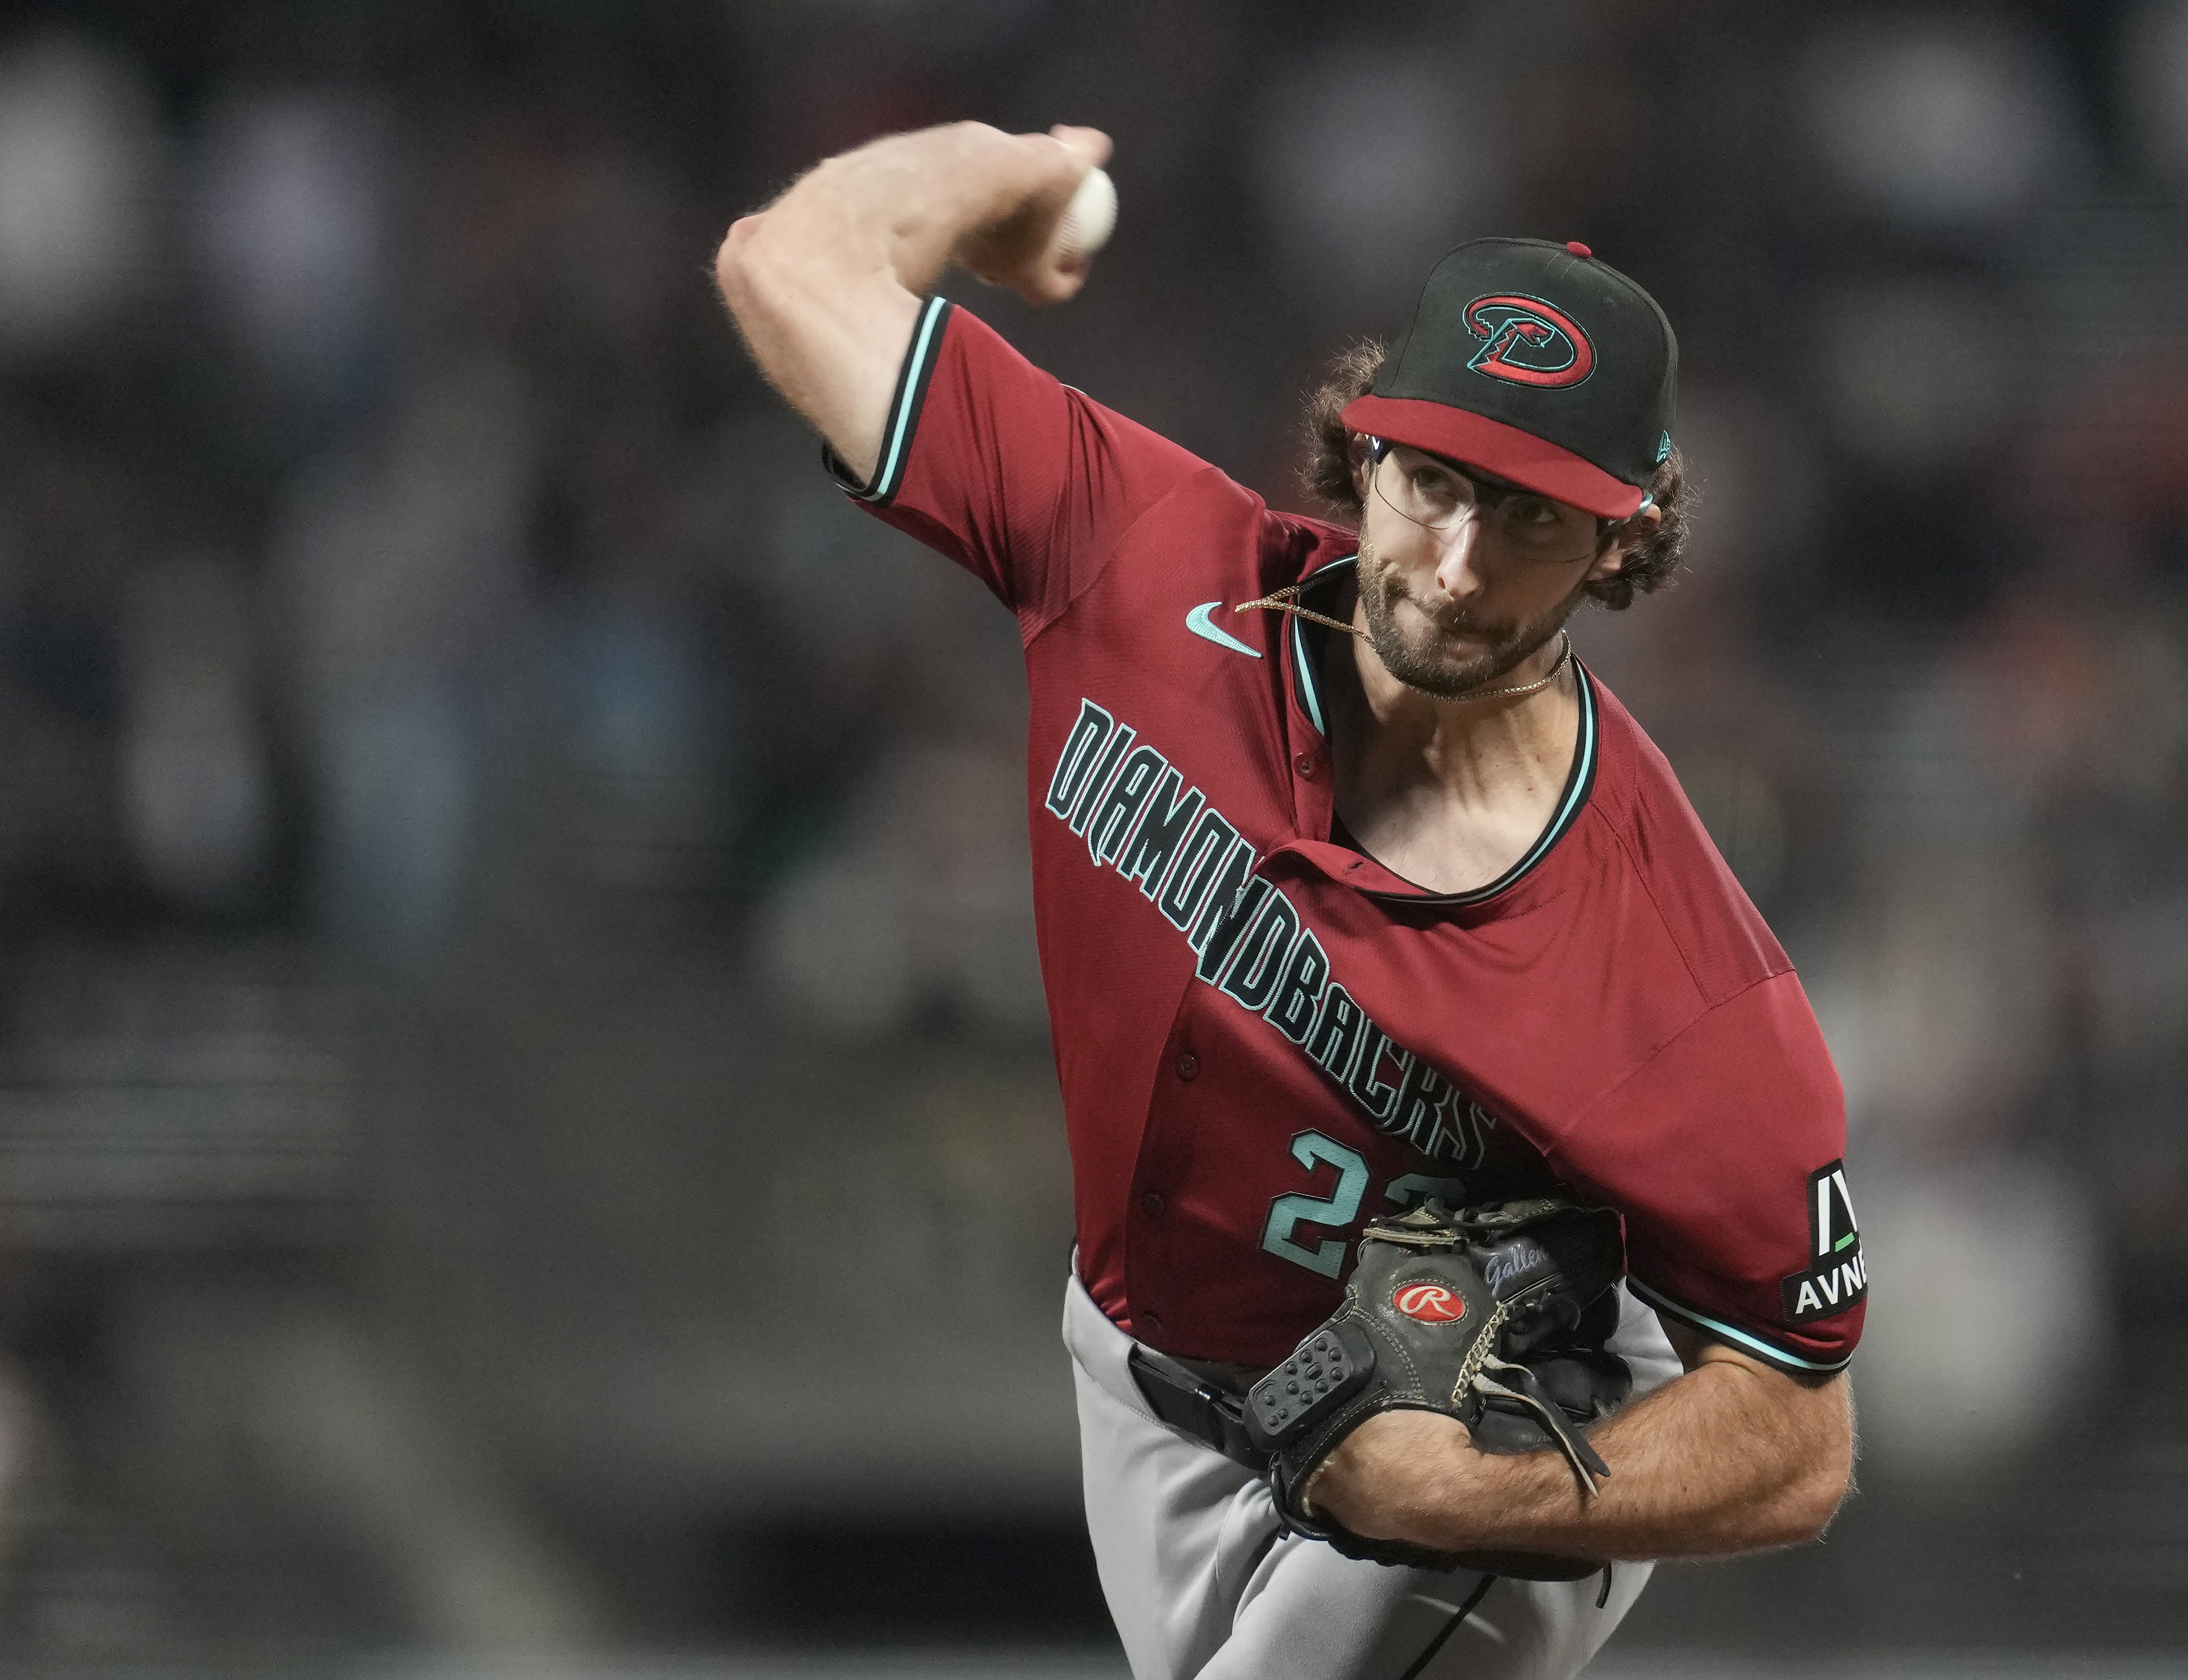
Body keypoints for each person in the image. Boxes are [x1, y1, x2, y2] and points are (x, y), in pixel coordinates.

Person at [716, 121, 1861, 1680]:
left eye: (1530, 513)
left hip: (1493, 1448)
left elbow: (1797, 1431)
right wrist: (1005, 170)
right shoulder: (1134, 551)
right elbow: (790, 265)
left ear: (1629, 528)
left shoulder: (1671, 966)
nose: (1459, 564)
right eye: (1438, 480)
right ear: (1364, 443)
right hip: (1136, 1367)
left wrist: (1478, 1491)